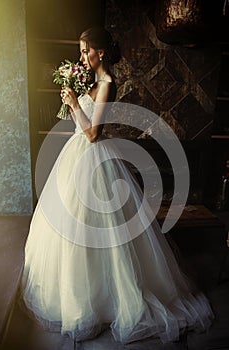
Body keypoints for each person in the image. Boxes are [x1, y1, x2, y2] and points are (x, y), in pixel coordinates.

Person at [21, 26, 214, 345]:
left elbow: (93, 133)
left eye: (86, 50)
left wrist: (73, 103)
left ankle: (104, 300)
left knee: (95, 228)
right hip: (76, 157)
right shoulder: (91, 82)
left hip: (93, 157)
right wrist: (73, 96)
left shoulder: (107, 84)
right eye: (81, 51)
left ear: (101, 53)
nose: (82, 57)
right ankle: (78, 297)